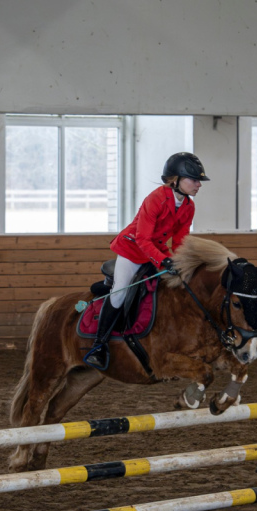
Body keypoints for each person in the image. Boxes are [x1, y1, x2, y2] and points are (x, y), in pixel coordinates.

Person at [83, 151, 209, 370]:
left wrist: (180, 262)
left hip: (155, 251)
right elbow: (142, 238)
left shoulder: (189, 207)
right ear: (175, 180)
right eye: (194, 180)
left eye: (199, 181)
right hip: (132, 250)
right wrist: (163, 261)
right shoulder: (156, 199)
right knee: (120, 292)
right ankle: (99, 346)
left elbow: (180, 240)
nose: (199, 184)